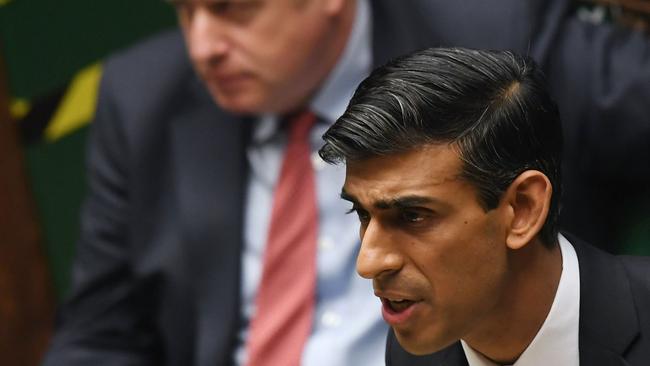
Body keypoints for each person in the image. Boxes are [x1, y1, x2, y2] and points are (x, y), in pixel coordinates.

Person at [43, 0, 650, 365]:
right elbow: (101, 334)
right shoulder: (144, 94)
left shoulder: (498, 39)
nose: (203, 46)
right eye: (184, 9)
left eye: (233, 8)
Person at [319, 47, 650, 366]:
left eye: (413, 216)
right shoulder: (419, 351)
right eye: (362, 213)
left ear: (523, 209)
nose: (369, 262)